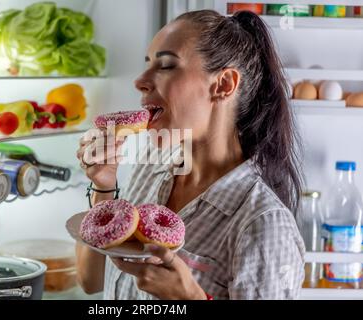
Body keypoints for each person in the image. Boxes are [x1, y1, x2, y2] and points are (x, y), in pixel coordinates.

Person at [75, 9, 305, 300]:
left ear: (223, 85)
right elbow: (89, 280)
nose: (140, 81)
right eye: (147, 65)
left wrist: (190, 298)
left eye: (167, 66)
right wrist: (104, 184)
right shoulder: (152, 165)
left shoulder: (263, 225)